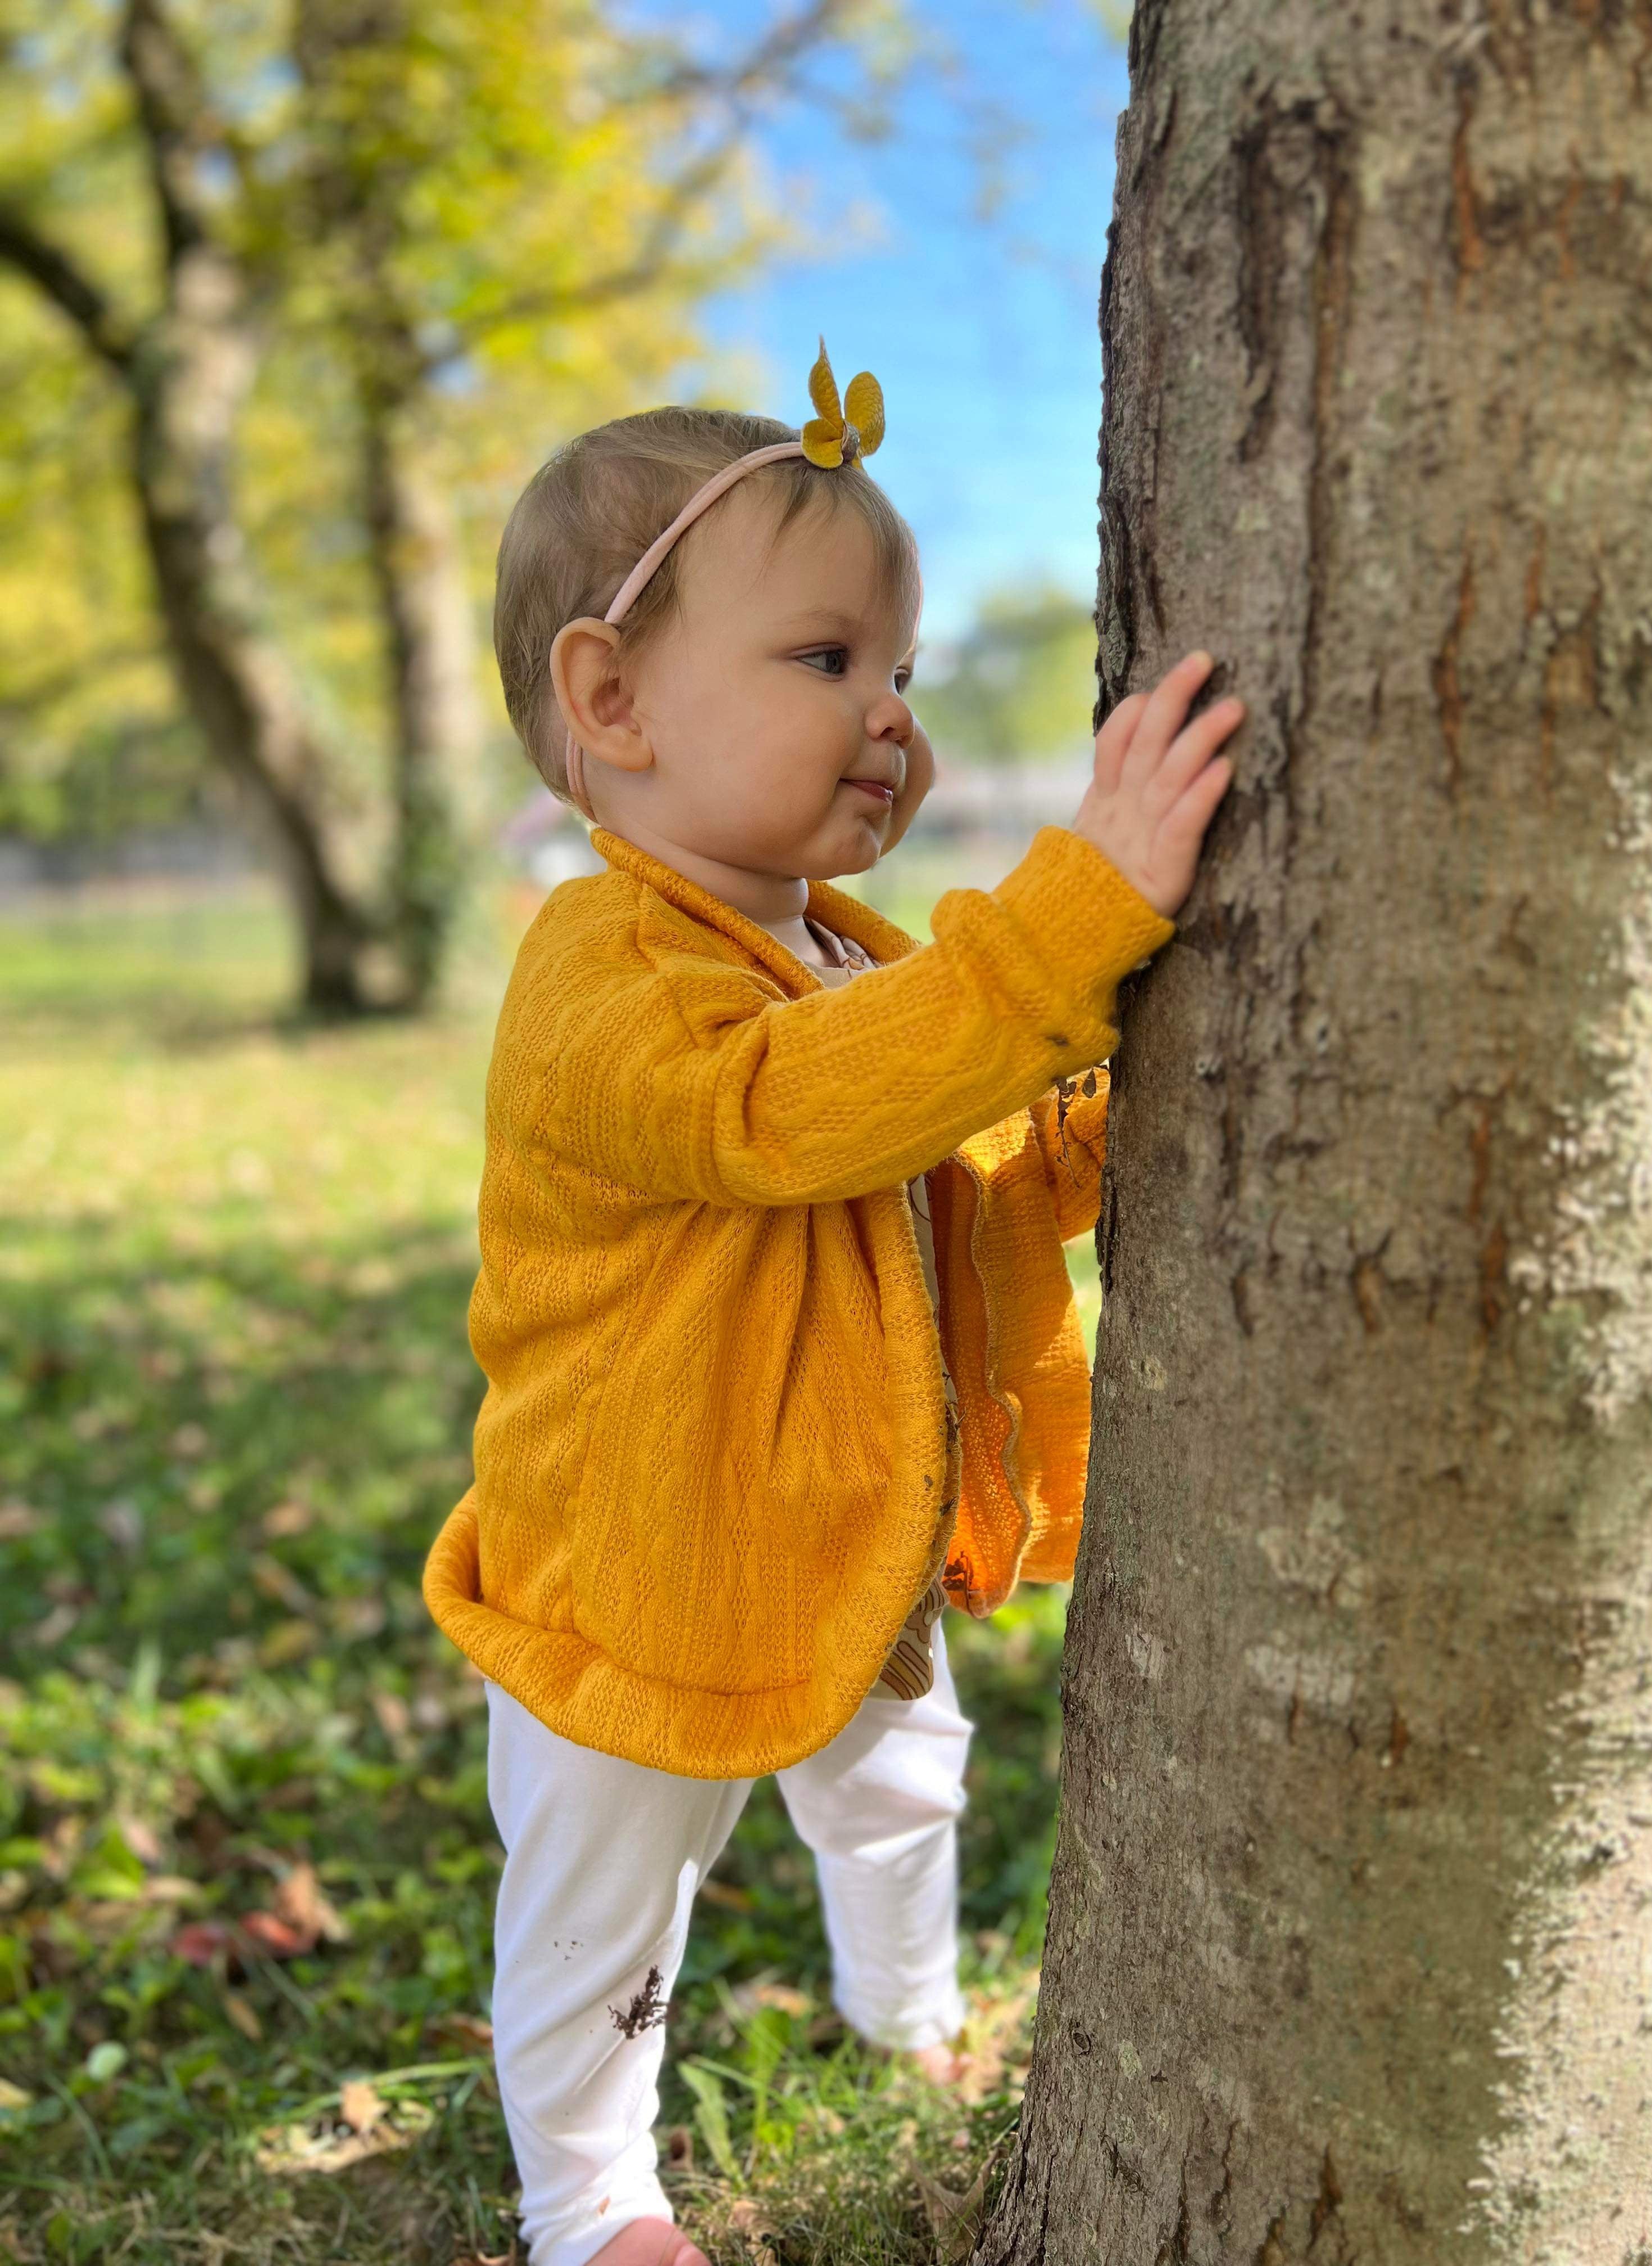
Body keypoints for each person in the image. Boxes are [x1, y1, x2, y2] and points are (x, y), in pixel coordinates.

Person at [421, 341, 1243, 2266]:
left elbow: (937, 1164)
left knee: (901, 1786)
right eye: (824, 663)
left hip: (832, 1519)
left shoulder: (844, 944)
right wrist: (1069, 917)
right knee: (604, 1900)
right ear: (612, 700)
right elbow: (782, 1118)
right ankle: (591, 2200)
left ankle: (909, 2022)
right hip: (634, 1555)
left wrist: (1099, 1132)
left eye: (902, 671)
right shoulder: (597, 965)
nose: (890, 716)